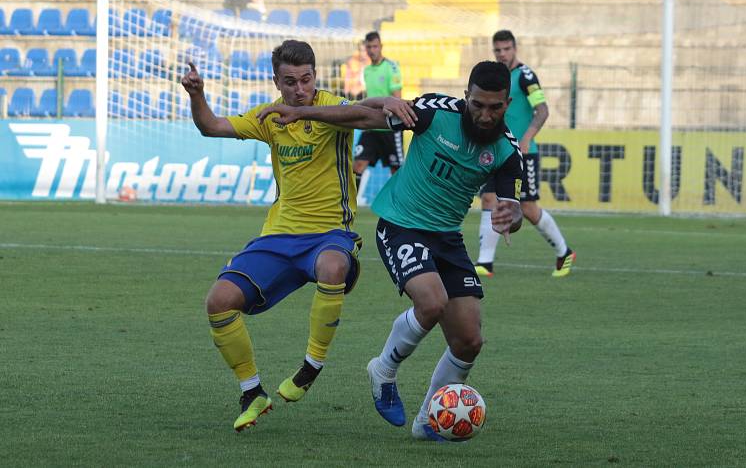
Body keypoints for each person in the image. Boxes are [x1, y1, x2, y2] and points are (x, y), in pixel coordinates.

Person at [261, 60, 524, 441]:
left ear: (507, 103)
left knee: (469, 340)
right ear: (466, 97)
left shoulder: (506, 151)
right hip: (402, 223)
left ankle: (429, 421)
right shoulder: (433, 113)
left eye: (495, 107)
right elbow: (364, 117)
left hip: (447, 238)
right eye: (477, 104)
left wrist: (510, 214)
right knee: (431, 302)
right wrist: (300, 111)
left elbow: (512, 205)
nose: (485, 115)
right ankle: (383, 369)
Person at [180, 40, 411, 433]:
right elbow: (211, 126)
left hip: (330, 234)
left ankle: (311, 367)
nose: (299, 89)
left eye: (306, 79)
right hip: (279, 236)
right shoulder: (270, 117)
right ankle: (252, 391)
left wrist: (382, 99)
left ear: (315, 77)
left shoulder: (331, 108)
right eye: (290, 82)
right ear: (276, 81)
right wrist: (198, 95)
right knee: (219, 301)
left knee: (333, 266)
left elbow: (371, 116)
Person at [475, 30, 576, 278]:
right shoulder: (495, 79)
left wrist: (527, 138)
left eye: (506, 49)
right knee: (488, 199)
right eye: (498, 50)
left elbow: (542, 110)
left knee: (528, 208)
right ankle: (484, 263)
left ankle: (564, 252)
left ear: (515, 48)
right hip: (495, 150)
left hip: (522, 152)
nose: (502, 54)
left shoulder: (525, 76)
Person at [353, 31, 404, 193]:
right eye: (369, 47)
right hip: (371, 126)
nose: (372, 50)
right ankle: (350, 204)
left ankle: (398, 205)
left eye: (375, 46)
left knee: (396, 170)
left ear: (381, 47)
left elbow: (397, 98)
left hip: (389, 126)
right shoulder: (367, 71)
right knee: (358, 164)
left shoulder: (392, 67)